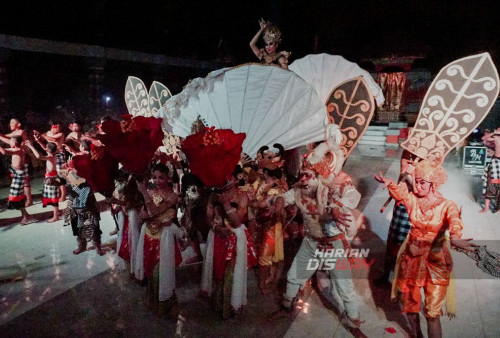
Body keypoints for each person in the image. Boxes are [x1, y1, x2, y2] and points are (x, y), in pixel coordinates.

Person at [374, 160, 477, 338]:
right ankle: (417, 335)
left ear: (433, 184)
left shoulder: (447, 204)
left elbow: (454, 221)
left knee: (432, 313)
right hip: (412, 258)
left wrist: (455, 238)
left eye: (422, 183)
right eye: (416, 181)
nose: (417, 186)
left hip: (435, 261)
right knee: (410, 305)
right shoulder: (412, 198)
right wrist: (390, 182)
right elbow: (400, 194)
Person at [280, 135, 363, 332]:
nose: (303, 180)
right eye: (302, 175)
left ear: (318, 177)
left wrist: (336, 206)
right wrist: (273, 202)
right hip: (310, 242)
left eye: (308, 176)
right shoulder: (300, 189)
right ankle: (287, 304)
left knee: (344, 287)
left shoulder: (331, 189)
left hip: (334, 246)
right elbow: (284, 198)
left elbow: (353, 195)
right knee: (294, 275)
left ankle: (354, 321)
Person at [200, 171, 258, 319]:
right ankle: (217, 304)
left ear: (234, 178)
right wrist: (216, 227)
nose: (224, 180)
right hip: (216, 236)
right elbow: (208, 218)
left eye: (227, 177)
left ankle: (230, 305)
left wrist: (225, 204)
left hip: (235, 237)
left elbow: (237, 221)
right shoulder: (213, 195)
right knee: (215, 270)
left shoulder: (242, 195)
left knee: (231, 272)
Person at [135, 163, 184, 316]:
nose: (157, 181)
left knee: (162, 272)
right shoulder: (150, 191)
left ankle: (167, 303)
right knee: (150, 271)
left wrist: (144, 194)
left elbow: (155, 211)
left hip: (164, 238)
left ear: (168, 177)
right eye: (155, 177)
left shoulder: (173, 196)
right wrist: (144, 214)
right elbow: (144, 213)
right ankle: (153, 302)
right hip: (149, 235)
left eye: (161, 177)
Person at [376, 149, 417, 285]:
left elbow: (421, 189)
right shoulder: (408, 152)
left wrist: (412, 176)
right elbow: (402, 174)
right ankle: (386, 276)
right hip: (401, 204)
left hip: (415, 207)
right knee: (393, 242)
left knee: (408, 247)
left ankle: (403, 281)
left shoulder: (431, 158)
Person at [0, 136, 36, 225]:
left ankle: (26, 216)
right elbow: (4, 150)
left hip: (19, 175)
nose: (9, 143)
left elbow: (4, 152)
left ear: (15, 143)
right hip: (17, 174)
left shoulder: (19, 150)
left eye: (11, 142)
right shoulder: (16, 149)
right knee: (16, 197)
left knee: (15, 197)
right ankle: (26, 216)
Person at [25, 140, 61, 222]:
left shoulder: (50, 157)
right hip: (52, 177)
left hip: (51, 179)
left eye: (46, 148)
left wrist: (31, 146)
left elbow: (38, 157)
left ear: (48, 150)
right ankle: (56, 213)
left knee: (54, 198)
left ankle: (56, 216)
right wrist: (38, 141)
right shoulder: (54, 155)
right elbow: (45, 148)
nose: (44, 148)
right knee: (53, 197)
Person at [0, 118, 32, 206]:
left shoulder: (21, 132)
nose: (10, 124)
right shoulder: (14, 135)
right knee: (21, 180)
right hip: (16, 157)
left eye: (12, 123)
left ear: (19, 124)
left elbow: (10, 139)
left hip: (22, 158)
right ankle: (24, 198)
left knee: (25, 180)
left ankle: (28, 200)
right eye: (10, 123)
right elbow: (9, 141)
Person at [34, 123, 67, 201]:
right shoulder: (48, 134)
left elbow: (54, 140)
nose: (57, 128)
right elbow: (47, 148)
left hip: (59, 155)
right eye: (56, 126)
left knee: (61, 176)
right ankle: (57, 194)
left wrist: (42, 135)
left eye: (59, 127)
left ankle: (63, 195)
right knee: (55, 176)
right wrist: (38, 140)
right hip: (51, 155)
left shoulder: (61, 134)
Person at [480, 130, 500, 213]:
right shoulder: (496, 138)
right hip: (496, 162)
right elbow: (483, 138)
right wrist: (493, 132)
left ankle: (498, 208)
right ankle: (486, 208)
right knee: (490, 184)